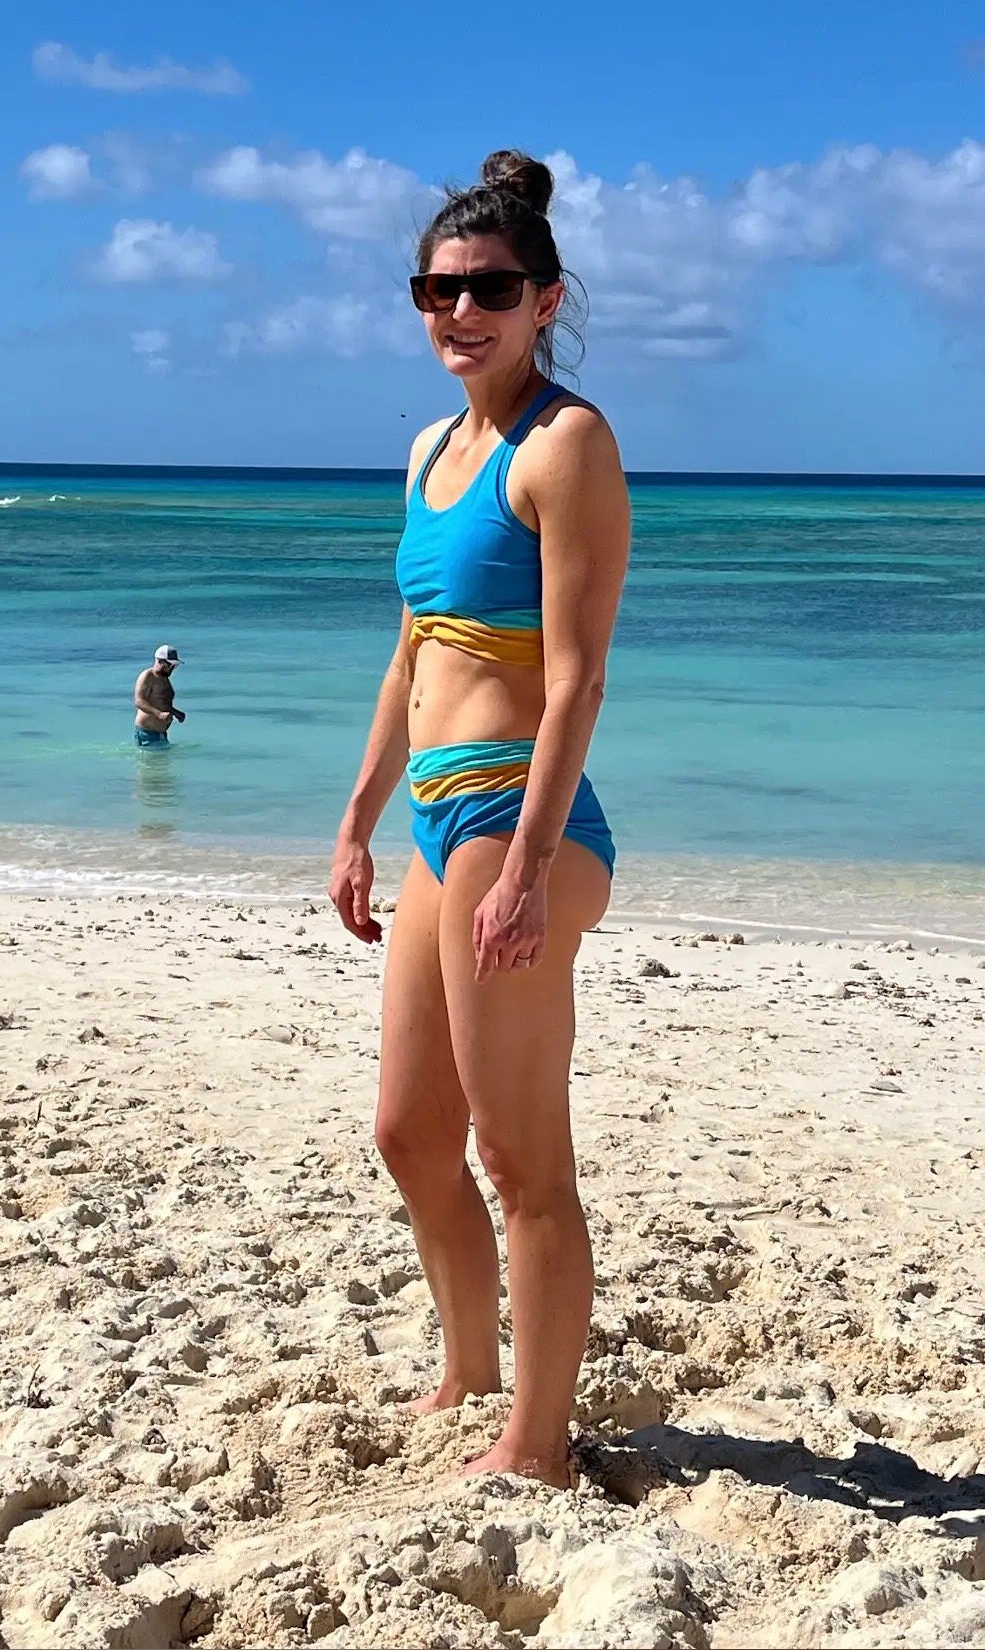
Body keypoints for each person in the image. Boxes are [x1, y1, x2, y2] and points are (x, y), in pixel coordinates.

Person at [329, 150, 631, 1488]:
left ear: (544, 297)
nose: (458, 312)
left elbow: (572, 678)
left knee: (519, 1157)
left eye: (488, 290)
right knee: (406, 1131)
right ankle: (466, 1367)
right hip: (435, 825)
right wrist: (354, 821)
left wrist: (518, 865)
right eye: (436, 291)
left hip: (528, 829)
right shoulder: (425, 451)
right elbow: (412, 657)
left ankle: (536, 1447)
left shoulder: (564, 444)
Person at [133, 645, 185, 748]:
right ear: (159, 661)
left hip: (161, 734)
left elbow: (161, 703)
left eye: (174, 665)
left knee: (164, 763)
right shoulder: (147, 676)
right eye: (170, 665)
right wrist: (159, 714)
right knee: (153, 763)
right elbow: (139, 701)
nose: (172, 668)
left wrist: (175, 712)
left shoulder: (164, 678)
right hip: (147, 733)